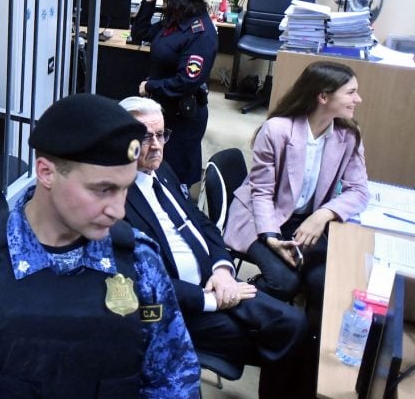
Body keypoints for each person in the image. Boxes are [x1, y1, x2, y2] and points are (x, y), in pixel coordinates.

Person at [0, 94, 200, 398]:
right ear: (46, 172)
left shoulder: (140, 263)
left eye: (125, 189)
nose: (118, 211)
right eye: (103, 190)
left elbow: (173, 382)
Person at [119, 96, 308, 397]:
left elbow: (203, 225)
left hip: (215, 281)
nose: (156, 145)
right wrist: (212, 301)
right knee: (286, 339)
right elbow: (139, 280)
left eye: (161, 134)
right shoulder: (116, 201)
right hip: (180, 306)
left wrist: (222, 270)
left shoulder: (161, 170)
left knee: (297, 325)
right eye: (144, 136)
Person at [224, 61, 369, 316]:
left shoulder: (348, 135)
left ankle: (309, 343)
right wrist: (270, 237)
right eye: (350, 92)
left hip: (303, 220)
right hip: (260, 217)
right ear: (323, 96)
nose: (358, 99)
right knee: (283, 282)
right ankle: (238, 304)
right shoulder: (278, 130)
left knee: (324, 279)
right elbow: (262, 193)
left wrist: (322, 215)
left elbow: (358, 189)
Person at [130, 0, 217, 191]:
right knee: (153, 172)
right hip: (162, 110)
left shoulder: (200, 33)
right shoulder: (175, 21)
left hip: (182, 117)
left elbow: (186, 82)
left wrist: (150, 86)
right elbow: (140, 34)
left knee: (174, 179)